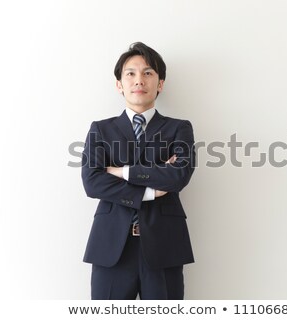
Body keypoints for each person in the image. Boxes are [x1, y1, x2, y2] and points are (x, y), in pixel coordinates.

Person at [81, 42, 195, 300]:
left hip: (165, 246)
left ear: (160, 83)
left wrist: (122, 172)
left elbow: (178, 176)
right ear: (119, 85)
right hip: (111, 248)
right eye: (130, 73)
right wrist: (150, 192)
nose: (138, 80)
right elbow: (93, 182)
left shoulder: (179, 129)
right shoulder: (101, 130)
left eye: (147, 73)